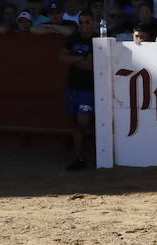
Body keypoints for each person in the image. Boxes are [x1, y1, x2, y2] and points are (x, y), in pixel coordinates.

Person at [59, 11, 96, 170]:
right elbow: (62, 58)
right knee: (75, 123)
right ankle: (78, 157)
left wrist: (73, 60)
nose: (83, 25)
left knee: (84, 121)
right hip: (72, 87)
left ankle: (93, 153)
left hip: (88, 89)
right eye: (81, 22)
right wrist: (81, 58)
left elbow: (90, 66)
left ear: (93, 23)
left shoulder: (97, 39)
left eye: (87, 22)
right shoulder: (73, 38)